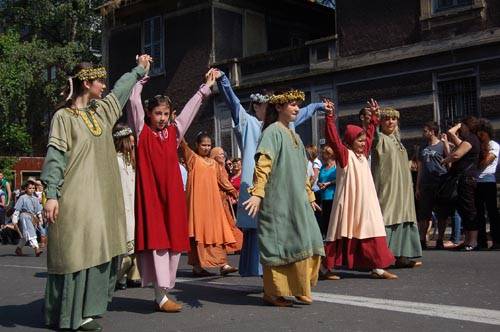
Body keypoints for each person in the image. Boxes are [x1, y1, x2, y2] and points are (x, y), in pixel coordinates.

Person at [41, 55, 150, 331]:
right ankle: (69, 316)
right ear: (87, 83)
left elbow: (122, 90)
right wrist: (51, 193)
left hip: (100, 200)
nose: (104, 85)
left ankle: (87, 310)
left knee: (99, 251)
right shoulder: (63, 117)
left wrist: (139, 69)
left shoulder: (101, 112)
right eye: (100, 81)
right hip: (75, 198)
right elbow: (55, 157)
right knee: (76, 254)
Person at [216, 69, 329, 277]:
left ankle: (291, 271)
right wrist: (223, 81)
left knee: (285, 225)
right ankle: (268, 272)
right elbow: (232, 103)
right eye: (265, 104)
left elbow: (304, 111)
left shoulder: (284, 125)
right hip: (258, 182)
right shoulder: (249, 123)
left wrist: (320, 105)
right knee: (263, 227)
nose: (269, 107)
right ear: (257, 107)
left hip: (282, 185)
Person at [131, 69, 216, 312]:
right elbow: (134, 102)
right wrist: (141, 77)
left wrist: (206, 87)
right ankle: (160, 295)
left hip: (173, 196)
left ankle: (164, 292)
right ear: (149, 113)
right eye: (157, 113)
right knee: (158, 242)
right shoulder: (141, 131)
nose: (162, 118)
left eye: (166, 114)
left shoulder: (174, 132)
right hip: (152, 197)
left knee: (173, 243)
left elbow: (190, 109)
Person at [243, 89, 325, 307]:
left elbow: (302, 171)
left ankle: (299, 287)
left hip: (298, 201)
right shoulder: (272, 131)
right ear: (279, 107)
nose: (297, 108)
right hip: (278, 201)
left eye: (298, 104)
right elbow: (263, 164)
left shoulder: (296, 136)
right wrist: (258, 193)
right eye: (292, 104)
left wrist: (309, 195)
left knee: (309, 240)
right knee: (280, 244)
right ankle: (273, 292)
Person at [322, 100, 397, 280]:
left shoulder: (363, 155)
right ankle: (325, 269)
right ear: (350, 141)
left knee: (372, 228)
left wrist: (373, 118)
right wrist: (330, 117)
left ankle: (377, 267)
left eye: (364, 141)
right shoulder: (344, 155)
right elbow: (333, 138)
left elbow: (371, 134)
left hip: (366, 202)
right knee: (340, 230)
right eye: (360, 140)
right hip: (349, 202)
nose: (364, 144)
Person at [181, 132, 239, 277]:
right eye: (203, 145)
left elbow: (222, 181)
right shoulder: (193, 159)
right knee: (197, 234)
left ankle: (223, 264)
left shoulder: (214, 163)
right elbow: (183, 145)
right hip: (197, 206)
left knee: (217, 232)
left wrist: (233, 191)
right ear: (197, 146)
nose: (207, 148)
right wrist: (176, 126)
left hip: (213, 205)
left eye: (209, 145)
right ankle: (197, 267)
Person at [371, 107, 422, 268]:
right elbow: (372, 135)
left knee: (405, 216)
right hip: (388, 187)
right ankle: (382, 257)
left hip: (403, 187)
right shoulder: (380, 138)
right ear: (381, 121)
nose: (390, 122)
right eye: (386, 119)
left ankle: (402, 256)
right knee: (388, 216)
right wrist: (374, 117)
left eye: (393, 119)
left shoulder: (397, 140)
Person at [441, 117, 481, 251]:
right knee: (463, 209)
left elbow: (457, 155)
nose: (460, 129)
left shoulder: (471, 139)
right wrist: (458, 126)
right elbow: (451, 134)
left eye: (462, 126)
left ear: (467, 126)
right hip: (463, 179)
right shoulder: (467, 140)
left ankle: (473, 241)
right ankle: (467, 240)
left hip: (466, 179)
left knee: (469, 209)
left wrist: (445, 160)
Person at [111, 123, 141, 291]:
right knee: (126, 245)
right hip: (123, 205)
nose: (132, 141)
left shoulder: (131, 160)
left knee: (135, 244)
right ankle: (117, 276)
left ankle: (133, 275)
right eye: (130, 138)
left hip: (133, 203)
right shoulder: (115, 160)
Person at [415, 122, 450, 249]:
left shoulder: (441, 146)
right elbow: (420, 167)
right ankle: (422, 239)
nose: (423, 133)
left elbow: (450, 160)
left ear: (432, 131)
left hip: (440, 183)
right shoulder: (423, 147)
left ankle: (440, 240)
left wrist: (446, 143)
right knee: (424, 214)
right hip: (425, 184)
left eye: (425, 131)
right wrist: (417, 187)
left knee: (442, 214)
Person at [210, 147, 243, 253]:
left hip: (224, 200)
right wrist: (234, 192)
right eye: (219, 154)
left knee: (229, 224)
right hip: (218, 201)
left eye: (223, 154)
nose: (222, 156)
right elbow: (224, 183)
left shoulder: (221, 167)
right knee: (228, 224)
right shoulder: (216, 167)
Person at [475, 119, 500, 249]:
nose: (479, 136)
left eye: (482, 133)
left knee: (492, 212)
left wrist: (479, 160)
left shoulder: (494, 145)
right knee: (479, 214)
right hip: (477, 182)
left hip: (488, 181)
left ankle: (496, 241)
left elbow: (486, 162)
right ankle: (481, 241)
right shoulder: (478, 145)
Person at [12, 179, 43, 256]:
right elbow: (17, 209)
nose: (32, 190)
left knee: (25, 234)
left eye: (33, 188)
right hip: (24, 216)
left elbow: (38, 210)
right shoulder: (22, 198)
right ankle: (36, 248)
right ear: (25, 189)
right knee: (30, 231)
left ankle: (18, 249)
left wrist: (40, 218)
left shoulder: (35, 199)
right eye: (30, 188)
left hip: (32, 218)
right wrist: (15, 219)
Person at [317, 146, 336, 238]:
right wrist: (319, 183)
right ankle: (326, 237)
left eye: (323, 154)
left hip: (333, 197)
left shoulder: (336, 167)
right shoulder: (323, 167)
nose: (322, 156)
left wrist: (328, 183)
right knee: (325, 218)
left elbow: (339, 179)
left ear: (329, 155)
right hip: (323, 196)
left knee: (331, 219)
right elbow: (319, 179)